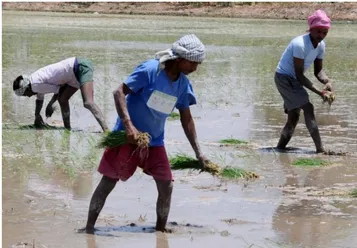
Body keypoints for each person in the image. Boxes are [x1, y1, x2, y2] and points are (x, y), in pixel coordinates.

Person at [84, 34, 210, 234]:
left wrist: (199, 153)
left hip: (154, 142)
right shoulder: (150, 70)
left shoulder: (183, 85)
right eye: (193, 63)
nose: (195, 68)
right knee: (108, 181)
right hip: (127, 138)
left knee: (166, 185)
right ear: (179, 59)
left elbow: (187, 119)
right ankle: (89, 228)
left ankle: (160, 231)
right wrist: (129, 126)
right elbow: (119, 93)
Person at [274, 9, 334, 154]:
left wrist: (326, 81)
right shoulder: (299, 44)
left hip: (294, 79)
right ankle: (320, 150)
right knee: (308, 108)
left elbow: (318, 71)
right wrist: (320, 92)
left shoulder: (321, 46)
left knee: (293, 117)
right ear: (311, 29)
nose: (321, 36)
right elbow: (299, 75)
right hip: (284, 78)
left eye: (324, 32)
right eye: (318, 31)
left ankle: (280, 149)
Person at [12, 57, 108, 132]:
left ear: (27, 88)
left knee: (88, 102)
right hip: (72, 77)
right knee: (62, 100)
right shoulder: (33, 81)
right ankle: (67, 129)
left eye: (25, 94)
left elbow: (59, 89)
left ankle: (107, 131)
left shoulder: (35, 85)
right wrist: (37, 115)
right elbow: (40, 98)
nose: (28, 96)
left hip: (79, 67)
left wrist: (50, 105)